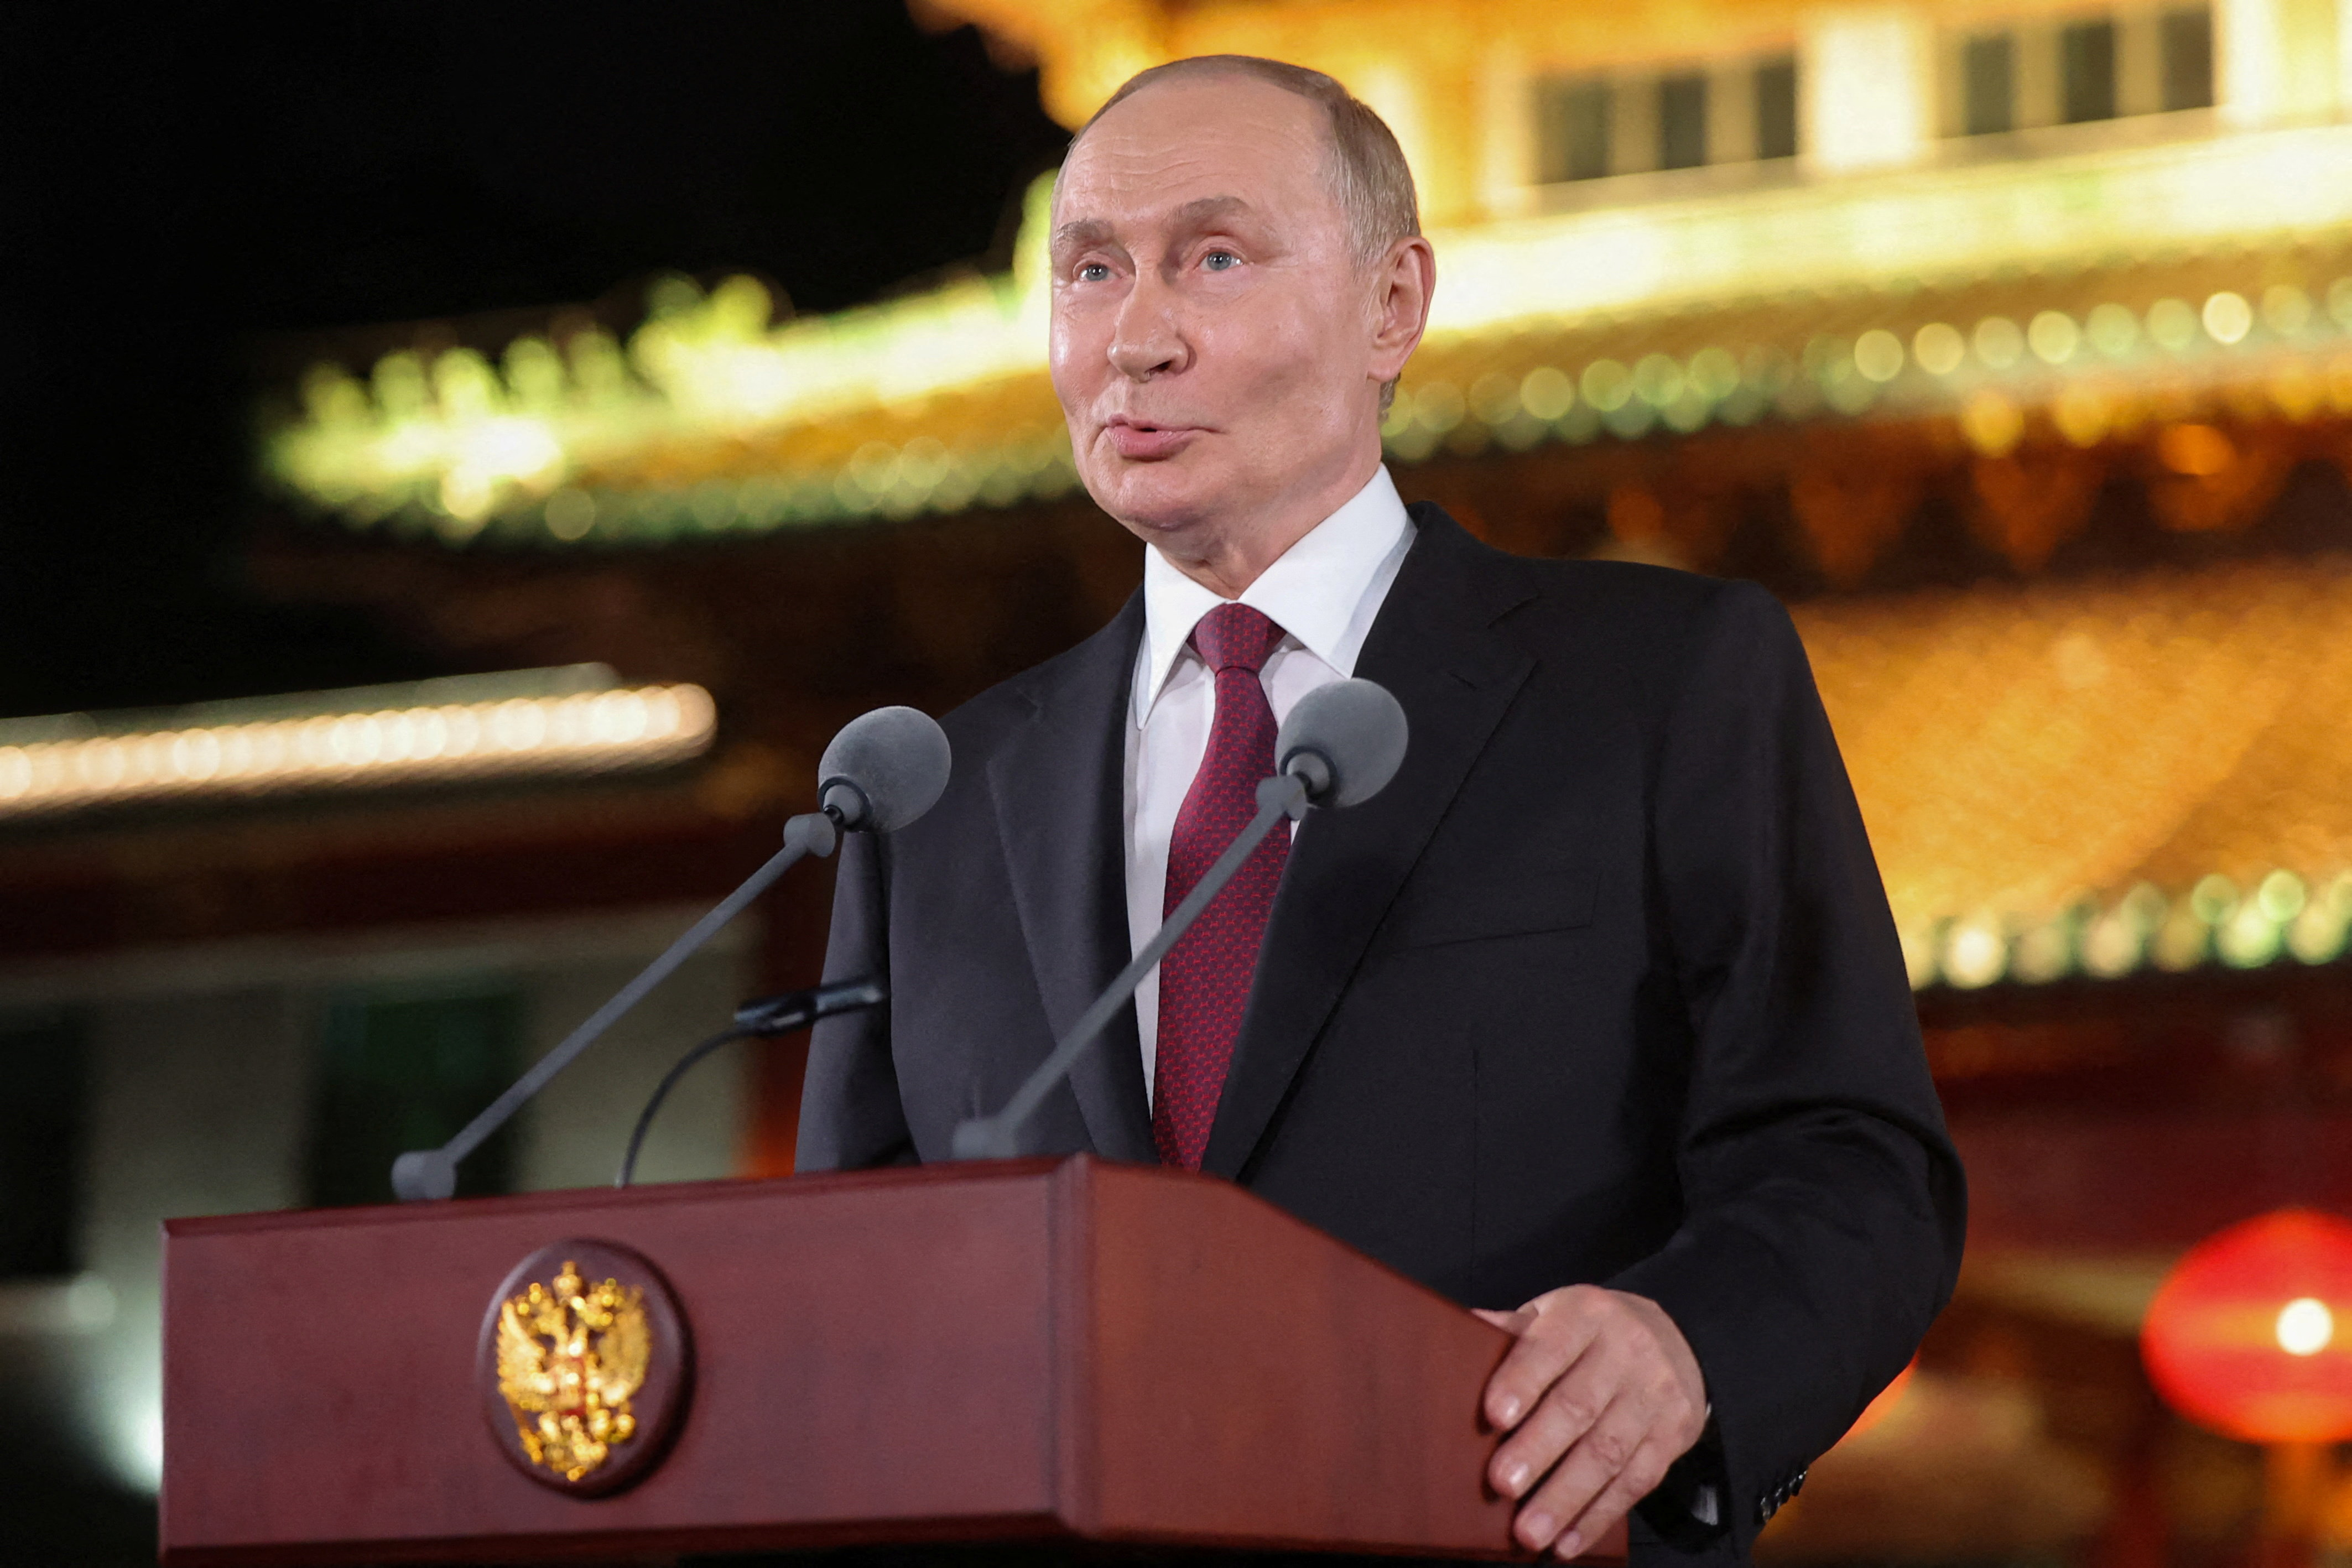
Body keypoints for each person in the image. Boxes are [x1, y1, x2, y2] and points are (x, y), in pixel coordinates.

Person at [799, 54, 1965, 1566]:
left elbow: (1850, 1155)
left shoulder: (1660, 684)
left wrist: (1682, 1348)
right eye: (1090, 271)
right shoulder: (933, 795)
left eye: (1211, 259)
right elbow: (846, 1286)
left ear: (1392, 305)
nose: (1133, 339)